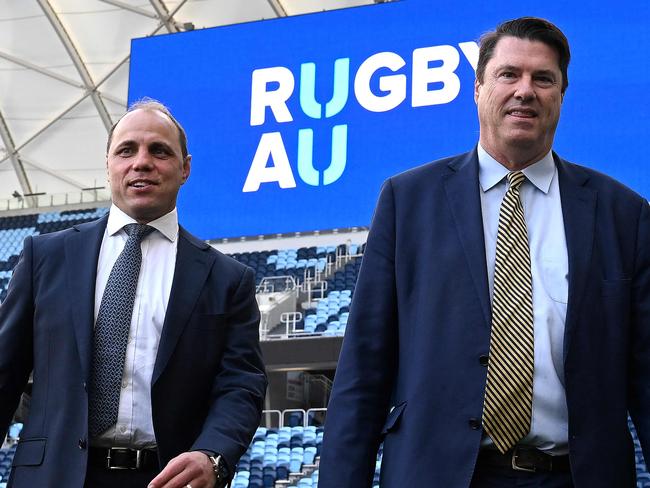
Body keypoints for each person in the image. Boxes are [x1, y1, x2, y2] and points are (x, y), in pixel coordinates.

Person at [318, 17, 649, 488]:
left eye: (543, 79)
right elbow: (364, 369)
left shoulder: (624, 215)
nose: (525, 90)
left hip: (574, 475)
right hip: (439, 475)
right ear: (478, 89)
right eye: (508, 74)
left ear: (561, 95)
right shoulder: (407, 200)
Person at [0, 99, 267, 488]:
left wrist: (213, 454)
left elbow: (241, 384)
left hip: (164, 479)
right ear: (108, 164)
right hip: (52, 475)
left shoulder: (228, 279)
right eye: (127, 150)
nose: (142, 162)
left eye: (159, 151)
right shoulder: (46, 257)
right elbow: (5, 371)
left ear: (185, 168)